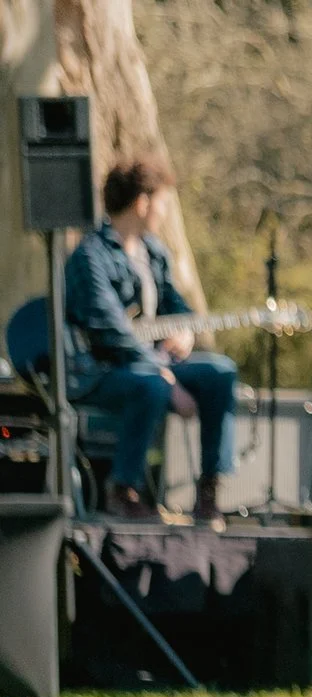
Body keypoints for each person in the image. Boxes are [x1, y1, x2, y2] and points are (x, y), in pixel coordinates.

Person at [62, 158, 239, 524]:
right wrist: (166, 377)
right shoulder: (89, 256)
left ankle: (209, 490)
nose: (163, 212)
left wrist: (186, 332)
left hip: (155, 365)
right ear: (142, 202)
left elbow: (178, 307)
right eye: (161, 202)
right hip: (101, 372)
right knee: (152, 388)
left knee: (219, 372)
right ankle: (123, 490)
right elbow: (111, 332)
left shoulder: (154, 253)